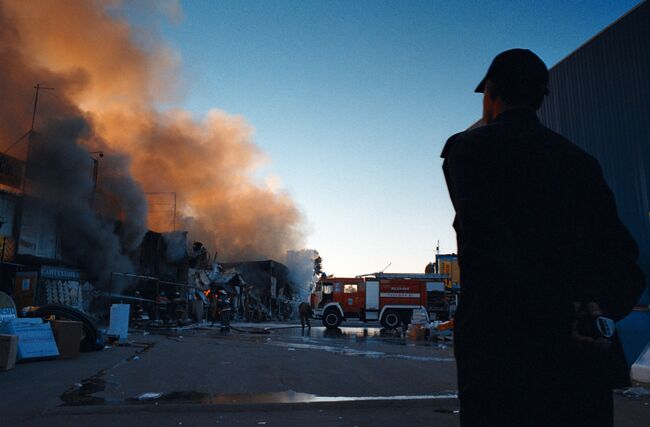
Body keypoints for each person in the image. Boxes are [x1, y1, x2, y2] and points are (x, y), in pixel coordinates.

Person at [441, 48, 645, 426]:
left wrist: (551, 308)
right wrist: (595, 307)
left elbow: (488, 245)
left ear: (492, 93)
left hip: (503, 361)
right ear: (539, 97)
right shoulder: (582, 163)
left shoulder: (469, 150)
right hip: (579, 363)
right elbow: (625, 257)